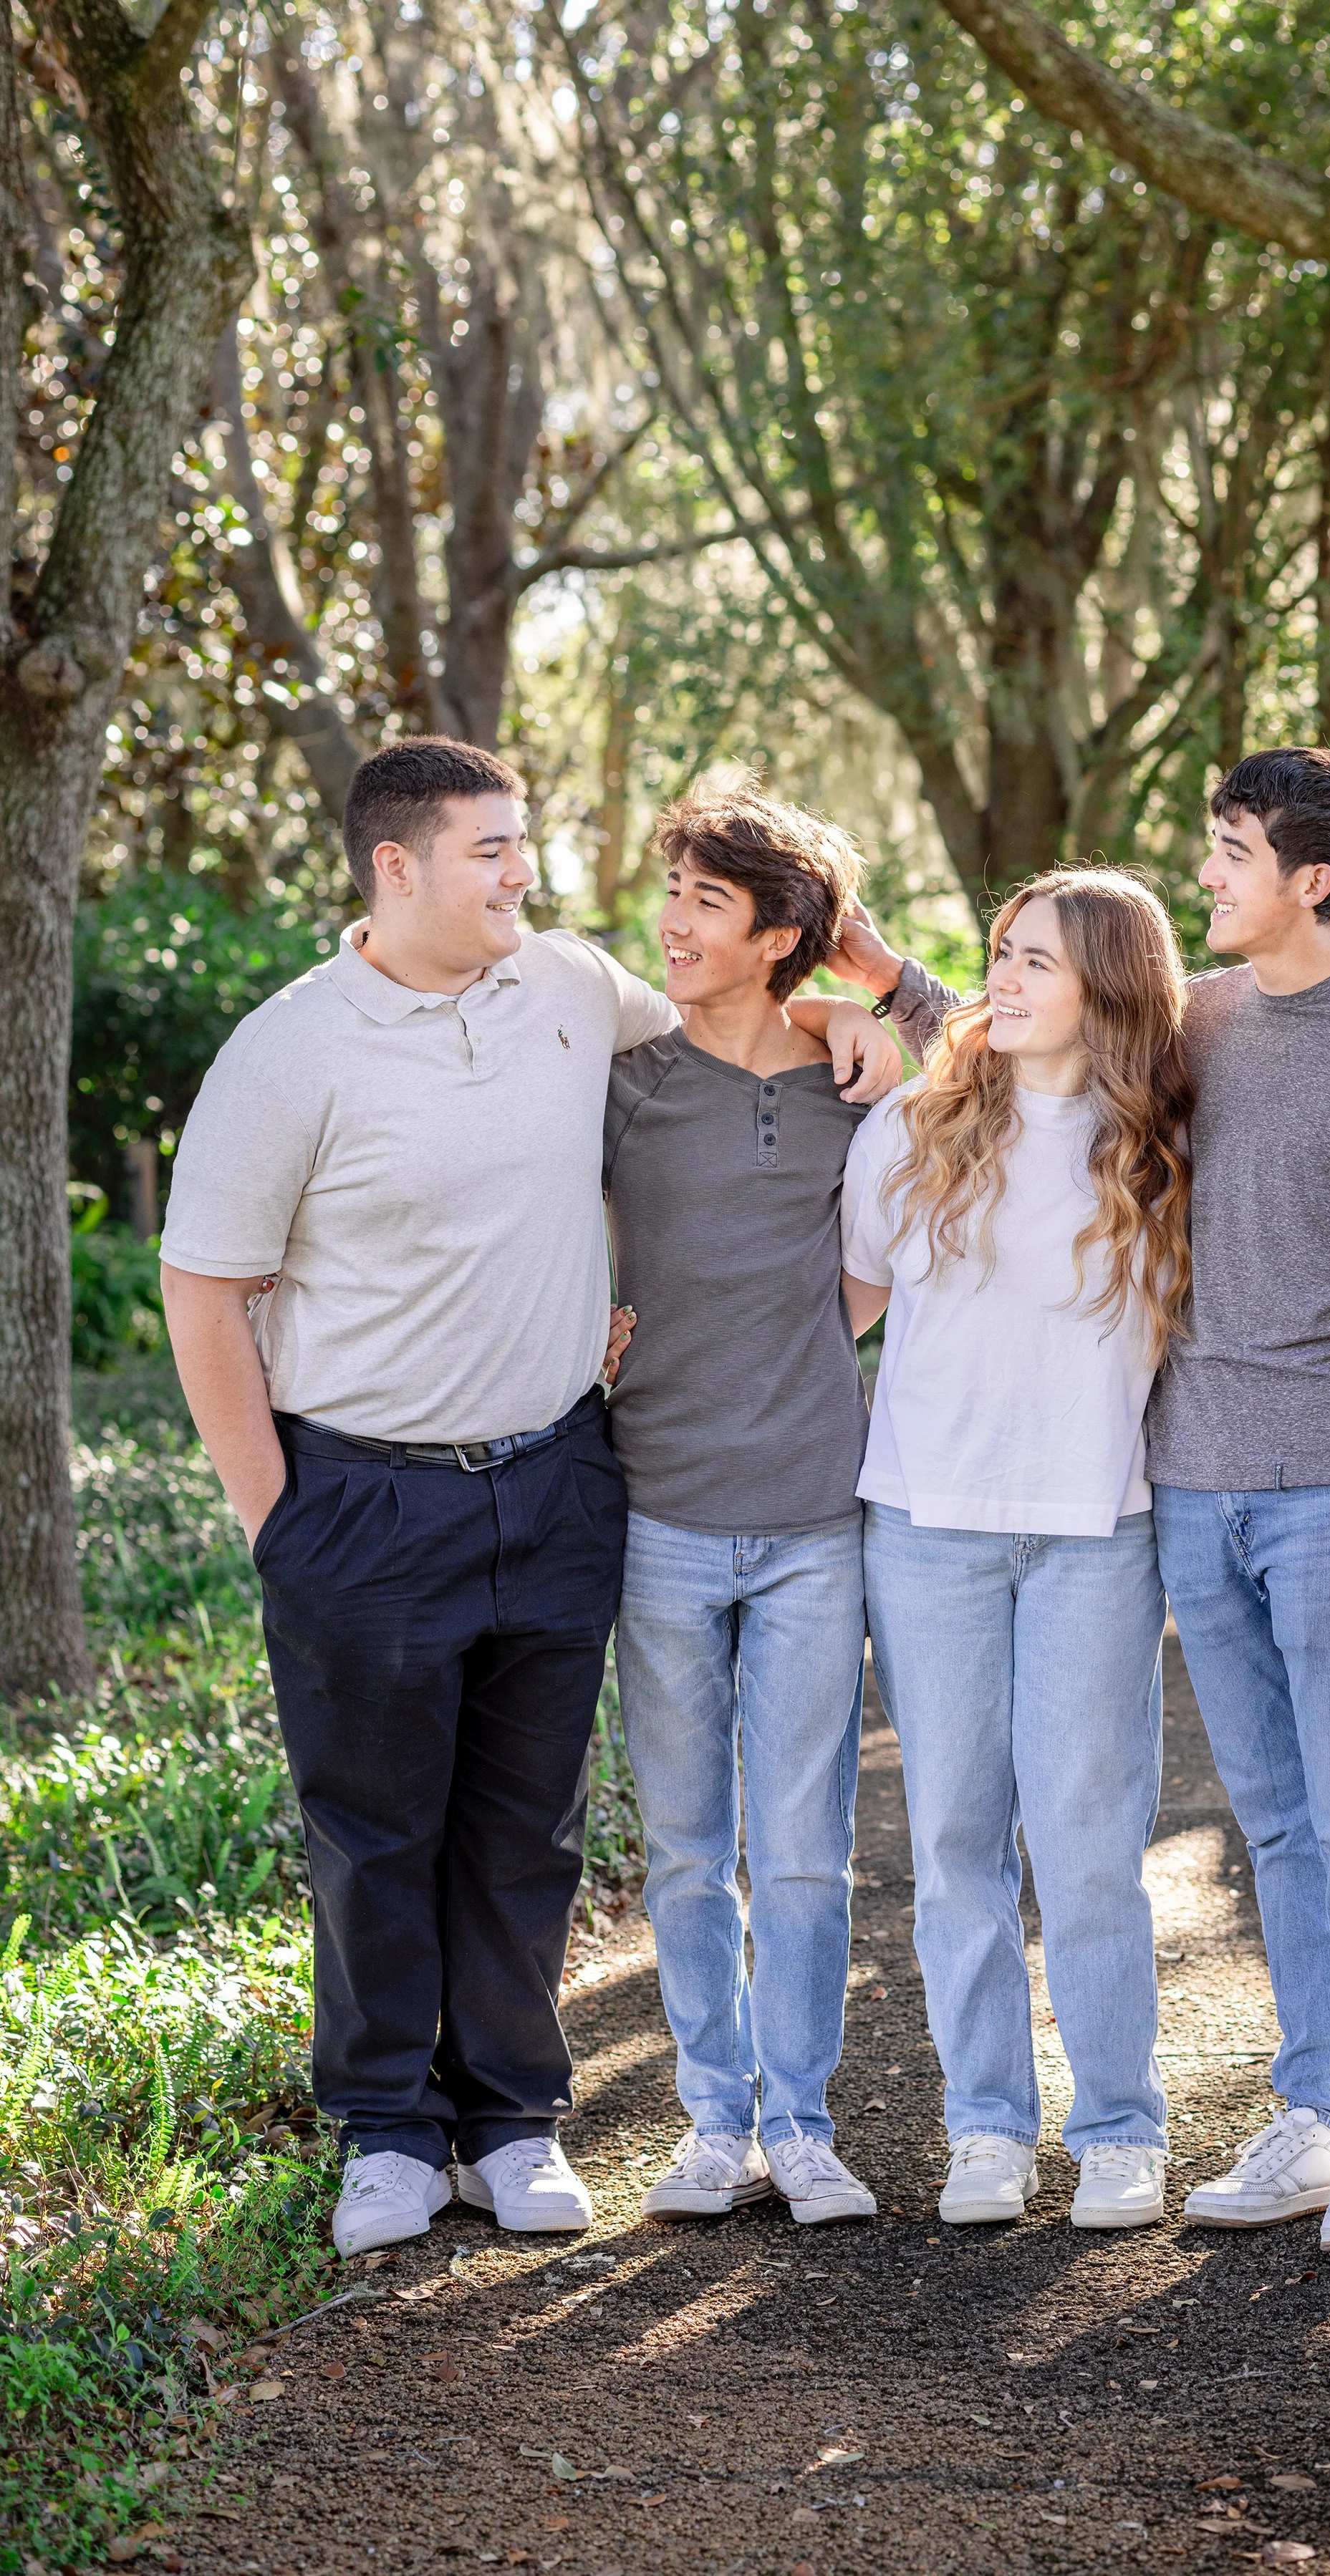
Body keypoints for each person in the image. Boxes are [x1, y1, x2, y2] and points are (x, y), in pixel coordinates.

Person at [159, 740, 897, 2259]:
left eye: (522, 846)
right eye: (492, 850)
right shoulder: (288, 1048)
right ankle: (383, 2128)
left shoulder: (568, 987)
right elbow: (203, 1286)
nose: (524, 874)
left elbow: (732, 1028)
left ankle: (506, 2118)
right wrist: (275, 1517)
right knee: (374, 1829)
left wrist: (851, 1011)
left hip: (561, 1475)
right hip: (359, 1494)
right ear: (396, 867)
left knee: (524, 1824)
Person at [842, 749, 1330, 2258]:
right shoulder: (1195, 1022)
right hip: (1189, 1481)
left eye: (1233, 847)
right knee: (1271, 1814)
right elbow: (1024, 1033)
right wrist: (863, 985)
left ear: (1309, 878)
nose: (1208, 871)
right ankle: (1316, 2107)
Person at [838, 868, 1192, 2231]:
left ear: (1106, 983)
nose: (1004, 977)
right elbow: (841, 1308)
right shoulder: (913, 1128)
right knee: (954, 1845)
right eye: (1001, 953)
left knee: (1091, 1846)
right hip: (925, 1527)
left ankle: (1117, 2128)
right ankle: (986, 2126)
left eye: (1036, 959)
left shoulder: (1166, 1147)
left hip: (1098, 1528)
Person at [603, 785, 897, 2227]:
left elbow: (1029, 1033)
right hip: (655, 1504)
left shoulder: (855, 1077)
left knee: (802, 1844)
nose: (670, 917)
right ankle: (712, 2122)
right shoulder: (627, 1075)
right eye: (671, 885)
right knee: (683, 1846)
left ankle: (803, 2120)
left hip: (810, 1515)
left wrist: (870, 999)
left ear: (783, 934)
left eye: (706, 898)